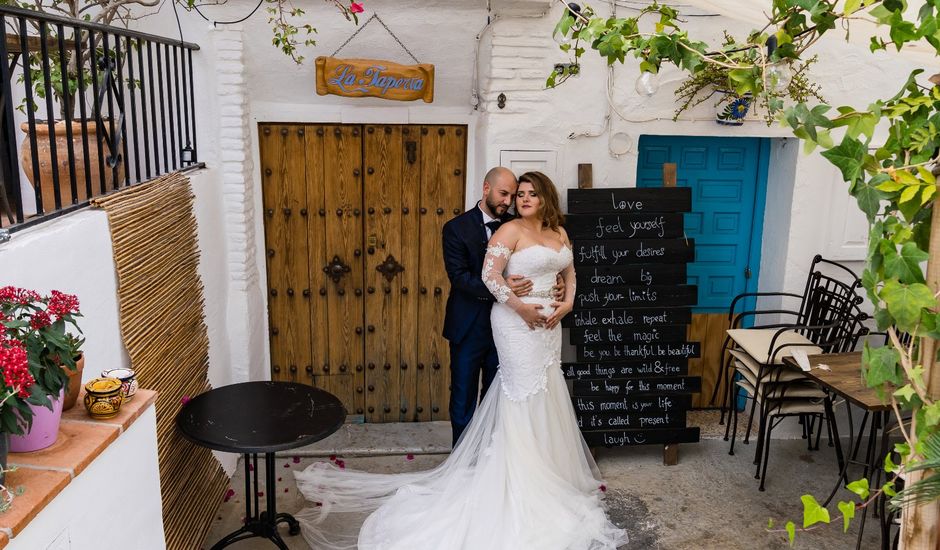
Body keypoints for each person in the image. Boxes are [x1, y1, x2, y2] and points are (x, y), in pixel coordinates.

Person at [293, 171, 628, 550]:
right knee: (471, 393)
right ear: (488, 190)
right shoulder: (474, 229)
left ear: (545, 197)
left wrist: (564, 303)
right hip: (494, 322)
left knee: (531, 393)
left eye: (527, 193)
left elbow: (566, 273)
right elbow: (476, 276)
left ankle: (538, 467)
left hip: (544, 328)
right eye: (513, 194)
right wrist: (517, 302)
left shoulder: (548, 230)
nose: (517, 199)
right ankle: (467, 465)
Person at [441, 166, 532, 445]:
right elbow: (461, 279)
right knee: (463, 396)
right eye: (503, 194)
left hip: (506, 327)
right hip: (468, 326)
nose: (508, 201)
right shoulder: (455, 228)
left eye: (512, 195)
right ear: (486, 188)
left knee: (500, 397)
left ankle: (492, 460)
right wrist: (503, 289)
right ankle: (461, 462)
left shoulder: (518, 226)